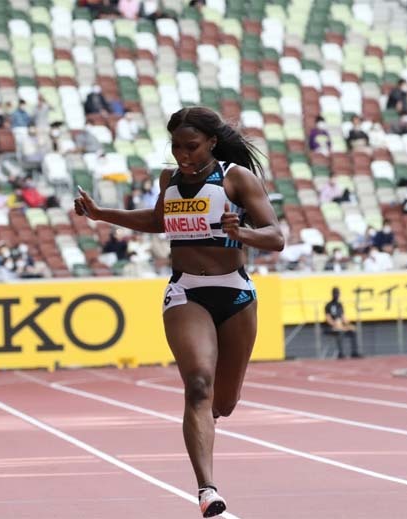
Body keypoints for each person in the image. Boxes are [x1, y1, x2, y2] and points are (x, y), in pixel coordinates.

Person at [74, 106, 284, 517]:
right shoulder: (168, 179)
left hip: (236, 294)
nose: (183, 155)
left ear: (212, 143)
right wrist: (102, 215)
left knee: (223, 403)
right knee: (199, 386)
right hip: (187, 291)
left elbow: (276, 237)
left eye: (191, 147)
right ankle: (208, 491)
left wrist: (243, 233)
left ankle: (210, 426)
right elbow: (157, 221)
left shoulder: (236, 178)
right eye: (176, 147)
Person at [324, 287, 360, 359]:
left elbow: (343, 317)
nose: (336, 295)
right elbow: (328, 318)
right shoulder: (328, 305)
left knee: (353, 332)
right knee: (339, 333)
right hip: (332, 327)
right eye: (335, 293)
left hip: (340, 326)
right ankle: (341, 353)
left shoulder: (339, 305)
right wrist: (334, 324)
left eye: (337, 293)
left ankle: (354, 352)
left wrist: (349, 325)